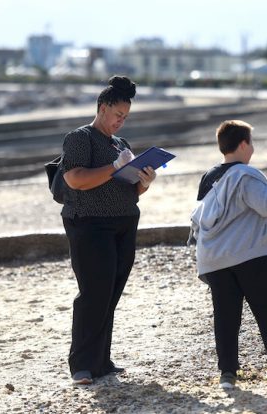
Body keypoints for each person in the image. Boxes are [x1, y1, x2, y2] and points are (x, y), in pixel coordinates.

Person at [190, 120, 267, 389]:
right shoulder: (246, 175)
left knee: (226, 316)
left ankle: (227, 375)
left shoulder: (209, 176)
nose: (252, 148)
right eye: (251, 142)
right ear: (243, 144)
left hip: (214, 258)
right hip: (248, 255)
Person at [61, 75, 157, 385]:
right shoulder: (80, 138)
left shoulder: (121, 144)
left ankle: (101, 361)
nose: (120, 122)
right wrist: (114, 167)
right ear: (103, 108)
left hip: (124, 223)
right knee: (94, 293)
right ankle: (81, 364)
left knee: (111, 294)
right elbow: (74, 179)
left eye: (125, 118)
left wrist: (144, 181)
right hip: (90, 224)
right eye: (118, 115)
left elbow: (129, 191)